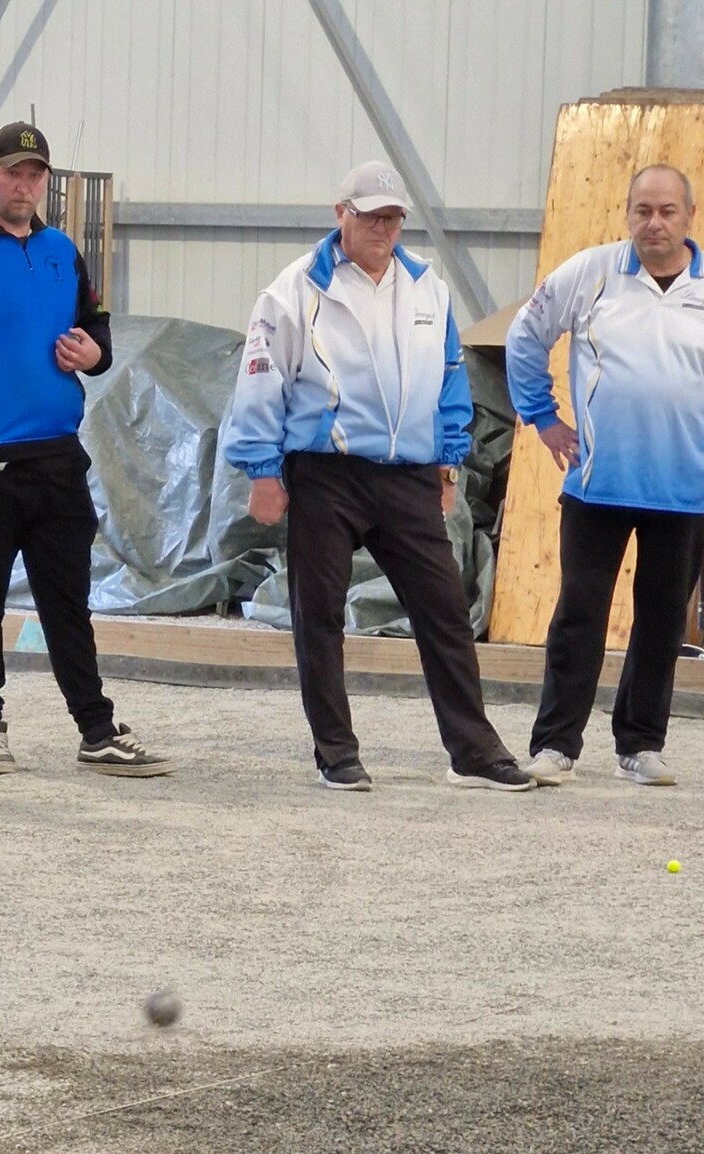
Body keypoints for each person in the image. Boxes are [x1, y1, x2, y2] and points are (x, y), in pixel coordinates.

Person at [222, 161, 535, 793]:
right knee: (320, 614)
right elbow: (261, 378)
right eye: (370, 216)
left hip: (409, 476)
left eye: (392, 218)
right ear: (341, 213)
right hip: (325, 473)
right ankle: (336, 752)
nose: (382, 229)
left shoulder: (428, 289)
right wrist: (261, 469)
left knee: (445, 609)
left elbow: (451, 379)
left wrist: (450, 458)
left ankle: (473, 751)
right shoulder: (293, 290)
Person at [0, 121, 173, 778]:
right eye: (13, 171)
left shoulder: (63, 252)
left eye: (35, 175)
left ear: (44, 182)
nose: (24, 185)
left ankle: (96, 728)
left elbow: (97, 326)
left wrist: (96, 353)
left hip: (57, 454)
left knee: (67, 601)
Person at [506, 163, 704, 787]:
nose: (654, 223)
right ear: (627, 213)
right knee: (579, 616)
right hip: (598, 486)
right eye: (643, 210)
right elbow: (525, 336)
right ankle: (555, 747)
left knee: (659, 624)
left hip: (683, 495)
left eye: (667, 211)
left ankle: (640, 745)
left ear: (689, 216)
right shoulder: (589, 273)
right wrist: (543, 419)